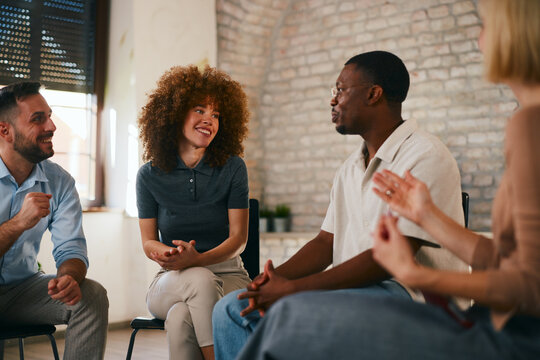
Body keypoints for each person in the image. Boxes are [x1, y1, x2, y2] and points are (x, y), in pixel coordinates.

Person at [235, 1, 540, 359]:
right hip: (495, 325)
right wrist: (430, 217)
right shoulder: (525, 124)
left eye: (487, 26)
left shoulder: (527, 127)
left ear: (516, 35)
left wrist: (416, 274)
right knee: (236, 311)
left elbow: (529, 287)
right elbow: (505, 261)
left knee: (290, 315)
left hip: (506, 339)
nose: (479, 39)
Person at [213, 51, 468, 359]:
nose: (333, 100)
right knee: (232, 308)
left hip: (413, 297)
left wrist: (294, 289)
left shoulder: (425, 155)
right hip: (358, 292)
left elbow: (389, 259)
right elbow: (325, 242)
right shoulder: (350, 167)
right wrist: (270, 281)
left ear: (374, 94)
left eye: (341, 90)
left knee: (292, 310)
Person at [136, 65, 252, 360]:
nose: (208, 120)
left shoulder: (233, 167)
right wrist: (168, 255)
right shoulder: (149, 175)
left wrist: (199, 259)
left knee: (179, 318)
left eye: (215, 114)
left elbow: (239, 238)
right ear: (174, 115)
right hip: (173, 278)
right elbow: (148, 242)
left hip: (230, 276)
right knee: (198, 279)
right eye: (199, 110)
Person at [0, 82, 109, 359]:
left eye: (49, 115)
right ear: (5, 130)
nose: (51, 126)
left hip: (21, 291)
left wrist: (69, 278)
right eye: (38, 119)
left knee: (91, 295)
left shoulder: (59, 182)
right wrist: (18, 223)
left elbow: (71, 248)